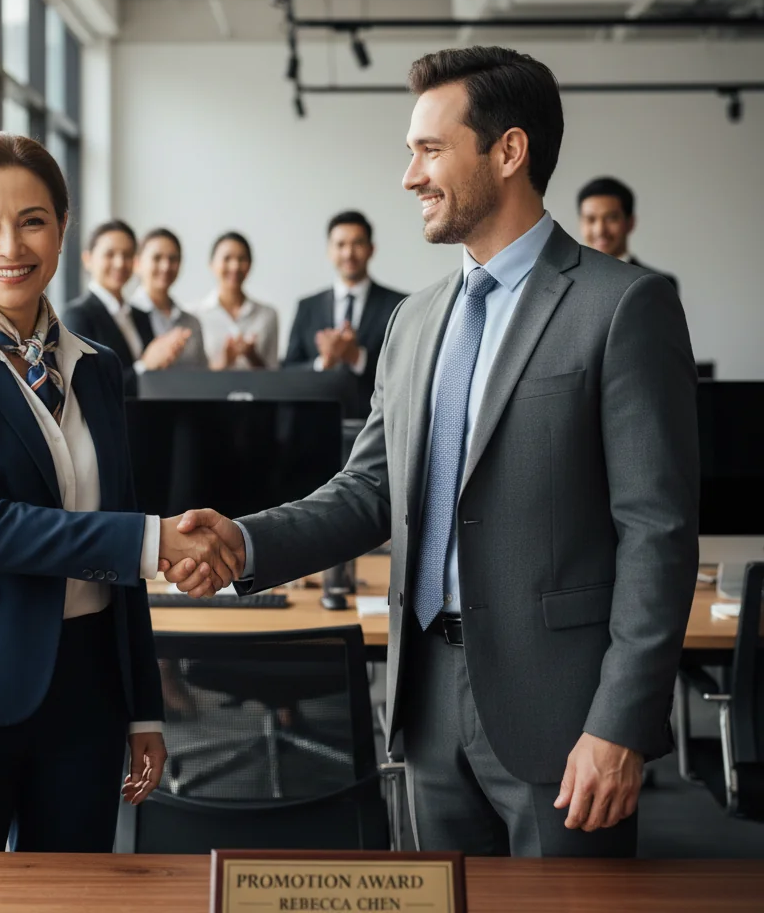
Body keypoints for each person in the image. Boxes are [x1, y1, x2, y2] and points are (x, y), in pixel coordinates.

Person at [164, 47, 699, 858]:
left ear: (508, 151)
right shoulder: (414, 320)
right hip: (424, 704)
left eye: (429, 149)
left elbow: (657, 533)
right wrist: (246, 541)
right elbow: (369, 490)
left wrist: (620, 722)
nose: (409, 176)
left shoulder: (622, 305)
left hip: (564, 711)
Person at [0, 132, 238, 852]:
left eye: (33, 220)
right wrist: (157, 542)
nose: (11, 244)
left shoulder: (98, 369)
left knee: (74, 897)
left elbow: (119, 529)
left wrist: (141, 710)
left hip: (86, 691)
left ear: (63, 230)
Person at [284, 210, 406, 418]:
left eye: (357, 243)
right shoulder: (307, 306)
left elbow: (406, 371)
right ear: (329, 251)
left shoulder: (399, 304)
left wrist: (357, 356)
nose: (348, 253)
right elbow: (288, 372)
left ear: (371, 249)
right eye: (340, 245)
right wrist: (323, 362)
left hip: (377, 424)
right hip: (315, 424)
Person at [61, 220, 190, 395]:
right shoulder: (78, 315)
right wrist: (145, 366)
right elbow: (86, 385)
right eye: (110, 254)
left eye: (128, 255)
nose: (120, 263)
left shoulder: (140, 315)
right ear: (88, 259)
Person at [577, 176, 679, 291]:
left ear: (630, 222)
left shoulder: (659, 284)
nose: (600, 230)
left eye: (611, 218)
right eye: (590, 219)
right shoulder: (569, 281)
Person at [196, 231, 279, 370]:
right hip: (211, 391)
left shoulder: (267, 314)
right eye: (227, 258)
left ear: (250, 265)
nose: (235, 266)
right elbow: (190, 377)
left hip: (255, 391)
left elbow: (274, 374)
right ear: (211, 264)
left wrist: (252, 356)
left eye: (242, 259)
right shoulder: (195, 315)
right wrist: (223, 363)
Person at [130, 228, 208, 368]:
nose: (166, 266)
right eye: (157, 258)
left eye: (173, 259)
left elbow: (201, 375)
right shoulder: (125, 317)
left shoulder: (191, 323)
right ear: (137, 263)